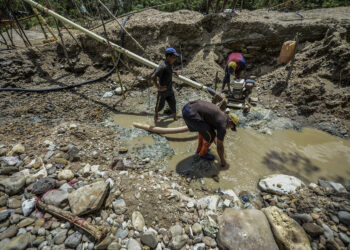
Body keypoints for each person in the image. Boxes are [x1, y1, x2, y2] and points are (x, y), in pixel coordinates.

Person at [182, 100, 239, 167]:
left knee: (205, 130)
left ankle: (199, 149)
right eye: (231, 127)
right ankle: (202, 154)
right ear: (229, 121)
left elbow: (214, 136)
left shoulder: (221, 116)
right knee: (210, 137)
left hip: (187, 107)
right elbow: (220, 146)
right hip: (191, 114)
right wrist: (222, 160)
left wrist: (218, 143)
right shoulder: (223, 125)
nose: (229, 128)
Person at [152, 48, 180, 122]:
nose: (175, 59)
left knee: (173, 104)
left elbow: (169, 70)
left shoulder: (169, 64)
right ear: (168, 57)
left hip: (170, 90)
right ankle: (156, 117)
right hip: (163, 91)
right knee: (160, 106)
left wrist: (174, 72)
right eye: (174, 57)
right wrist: (158, 87)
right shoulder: (162, 66)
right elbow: (153, 76)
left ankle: (175, 118)